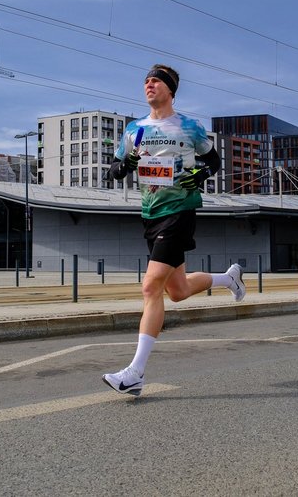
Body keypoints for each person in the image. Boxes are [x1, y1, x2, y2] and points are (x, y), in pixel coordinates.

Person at [102, 64, 245, 396]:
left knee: (151, 287)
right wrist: (126, 165)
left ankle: (135, 373)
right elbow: (114, 170)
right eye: (146, 81)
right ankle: (229, 278)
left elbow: (214, 161)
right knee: (177, 291)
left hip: (180, 210)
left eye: (156, 81)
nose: (148, 85)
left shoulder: (189, 127)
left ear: (170, 90)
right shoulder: (134, 130)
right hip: (150, 213)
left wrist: (201, 175)